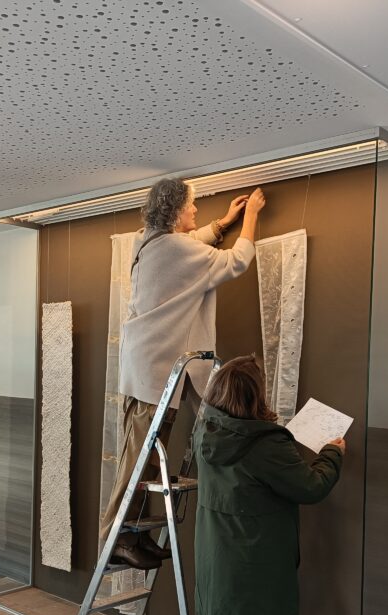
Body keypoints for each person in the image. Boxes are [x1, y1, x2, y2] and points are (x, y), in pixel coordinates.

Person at [103, 179, 267, 569]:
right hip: (154, 369)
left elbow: (194, 247)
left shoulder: (151, 242)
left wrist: (223, 221)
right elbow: (236, 261)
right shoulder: (177, 249)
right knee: (137, 460)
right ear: (177, 212)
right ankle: (114, 544)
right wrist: (251, 218)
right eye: (192, 206)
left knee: (146, 458)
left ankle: (133, 536)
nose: (196, 211)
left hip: (152, 364)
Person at [192, 355, 345, 615]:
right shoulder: (265, 445)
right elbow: (311, 487)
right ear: (255, 397)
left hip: (215, 563)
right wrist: (333, 452)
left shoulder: (203, 433)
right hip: (255, 569)